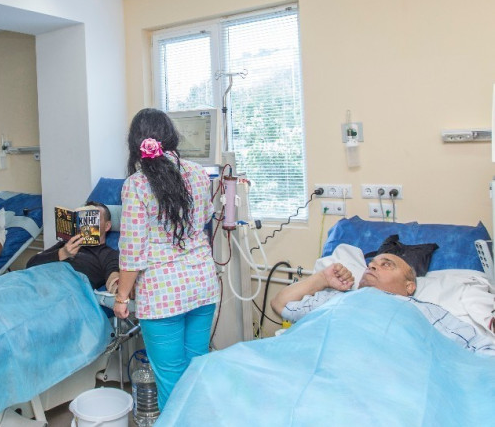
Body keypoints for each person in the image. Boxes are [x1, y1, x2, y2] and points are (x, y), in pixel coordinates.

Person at [113, 108, 220, 409]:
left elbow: (132, 250)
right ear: (171, 135)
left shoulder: (136, 184)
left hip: (163, 295)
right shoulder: (198, 173)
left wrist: (122, 297)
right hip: (202, 286)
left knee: (171, 381)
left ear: (136, 142)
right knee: (196, 371)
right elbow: (205, 218)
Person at [270, 253, 495, 356]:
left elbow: (481, 348)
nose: (372, 267)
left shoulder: (423, 310)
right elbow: (280, 304)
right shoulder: (336, 298)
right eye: (371, 264)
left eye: (387, 264)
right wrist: (322, 279)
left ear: (409, 287)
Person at [26, 200, 119, 292]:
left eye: (94, 218)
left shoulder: (109, 254)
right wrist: (63, 253)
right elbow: (30, 264)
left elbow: (113, 277)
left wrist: (116, 285)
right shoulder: (67, 245)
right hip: (38, 281)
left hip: (64, 289)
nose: (87, 224)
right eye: (83, 218)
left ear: (107, 226)